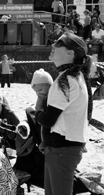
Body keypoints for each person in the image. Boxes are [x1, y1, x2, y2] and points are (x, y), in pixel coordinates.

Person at [35, 32, 92, 195]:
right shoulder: (76, 76)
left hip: (62, 149)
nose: (53, 45)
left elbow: (48, 120)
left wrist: (36, 113)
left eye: (59, 43)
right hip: (63, 147)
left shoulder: (66, 80)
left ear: (70, 53)